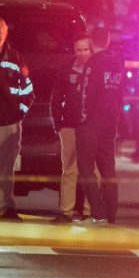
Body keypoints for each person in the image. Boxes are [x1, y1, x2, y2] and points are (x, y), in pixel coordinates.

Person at [0, 17, 34, 220]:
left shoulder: (15, 59)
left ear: (5, 35)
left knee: (5, 170)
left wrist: (19, 113)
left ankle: (6, 208)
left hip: (8, 123)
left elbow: (28, 90)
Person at [76, 27, 124, 225]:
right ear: (108, 40)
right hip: (110, 121)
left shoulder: (94, 63)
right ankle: (111, 212)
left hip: (93, 122)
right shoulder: (117, 63)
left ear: (91, 42)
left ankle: (98, 212)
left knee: (86, 168)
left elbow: (88, 92)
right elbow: (120, 94)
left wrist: (83, 118)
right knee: (108, 168)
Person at [49, 32, 98, 223]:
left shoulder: (98, 69)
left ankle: (89, 210)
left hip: (92, 127)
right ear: (74, 50)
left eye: (86, 49)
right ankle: (66, 211)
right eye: (79, 50)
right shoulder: (66, 69)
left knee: (92, 170)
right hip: (70, 126)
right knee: (70, 169)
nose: (83, 53)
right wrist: (58, 124)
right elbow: (56, 98)